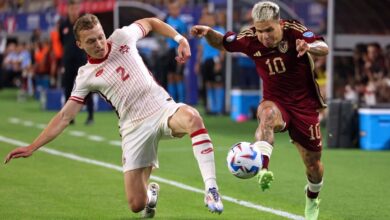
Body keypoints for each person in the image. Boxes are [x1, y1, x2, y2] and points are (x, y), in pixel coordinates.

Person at [4, 14, 223, 218]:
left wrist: (179, 38)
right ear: (80, 44)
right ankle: (149, 194)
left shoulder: (122, 37)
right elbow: (64, 116)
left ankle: (211, 189)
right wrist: (33, 146)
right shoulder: (85, 76)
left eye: (100, 37)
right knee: (136, 204)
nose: (99, 44)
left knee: (193, 117)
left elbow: (151, 22)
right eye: (91, 41)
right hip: (133, 129)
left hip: (161, 109)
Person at [191, 1, 328, 220]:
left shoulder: (295, 31)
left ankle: (312, 197)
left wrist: (309, 47)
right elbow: (223, 42)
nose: (264, 36)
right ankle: (263, 169)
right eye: (260, 30)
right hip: (275, 101)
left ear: (279, 23)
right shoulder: (250, 38)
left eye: (269, 30)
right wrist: (208, 32)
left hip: (304, 106)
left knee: (313, 165)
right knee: (266, 116)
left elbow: (324, 47)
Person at [59, 0, 94, 125]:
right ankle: (69, 117)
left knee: (86, 88)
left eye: (76, 8)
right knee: (68, 89)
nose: (74, 11)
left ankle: (90, 116)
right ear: (68, 9)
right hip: (68, 62)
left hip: (82, 61)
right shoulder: (63, 24)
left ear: (79, 8)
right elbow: (62, 42)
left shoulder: (83, 24)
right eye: (72, 8)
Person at [164, 0, 187, 103]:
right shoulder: (166, 20)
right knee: (170, 76)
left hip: (178, 51)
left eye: (176, 9)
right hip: (169, 52)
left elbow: (185, 38)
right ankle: (172, 101)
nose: (174, 11)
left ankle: (181, 101)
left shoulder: (181, 23)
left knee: (178, 76)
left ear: (179, 10)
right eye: (172, 9)